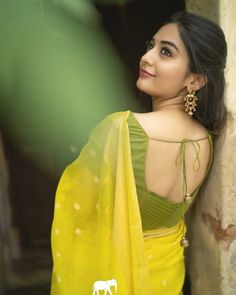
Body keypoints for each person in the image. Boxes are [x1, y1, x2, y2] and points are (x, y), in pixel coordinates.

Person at [50, 11, 227, 295]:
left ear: (195, 81)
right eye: (151, 46)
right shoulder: (205, 140)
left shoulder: (121, 128)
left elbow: (77, 208)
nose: (147, 57)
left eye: (166, 52)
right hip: (167, 281)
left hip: (119, 277)